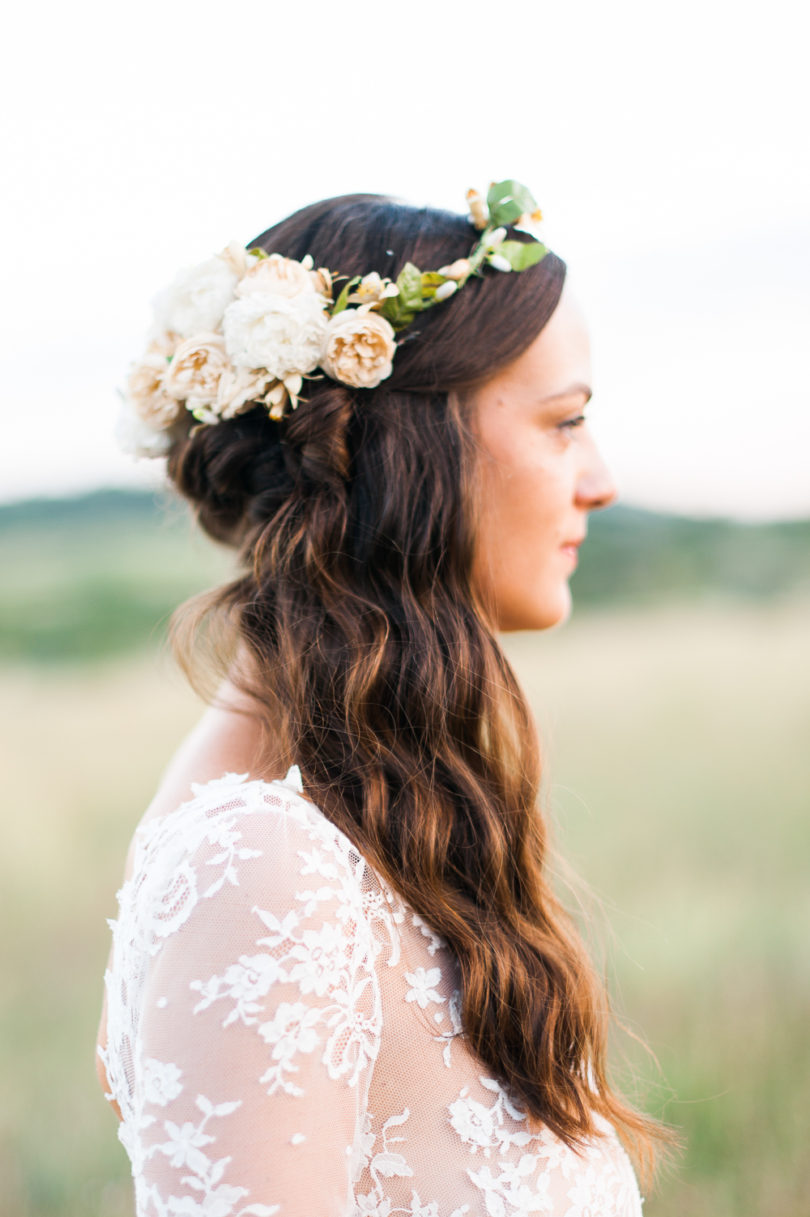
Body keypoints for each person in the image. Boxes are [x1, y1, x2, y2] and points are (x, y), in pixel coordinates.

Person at [97, 182, 669, 1216]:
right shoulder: (263, 865)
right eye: (565, 422)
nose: (601, 477)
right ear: (407, 448)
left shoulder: (378, 832)